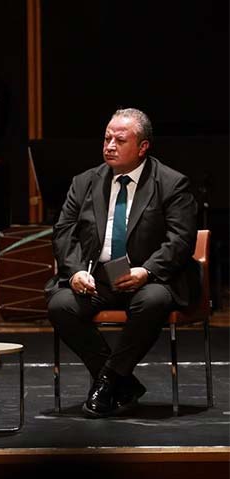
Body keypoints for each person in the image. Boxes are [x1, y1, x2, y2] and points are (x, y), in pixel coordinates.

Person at [46, 108, 199, 418]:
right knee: (61, 304)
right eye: (106, 138)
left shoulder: (171, 183)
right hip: (98, 277)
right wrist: (75, 271)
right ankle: (122, 382)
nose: (109, 146)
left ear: (142, 147)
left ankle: (108, 381)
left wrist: (148, 271)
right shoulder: (85, 182)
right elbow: (64, 232)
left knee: (153, 300)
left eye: (119, 139)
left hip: (151, 278)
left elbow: (180, 240)